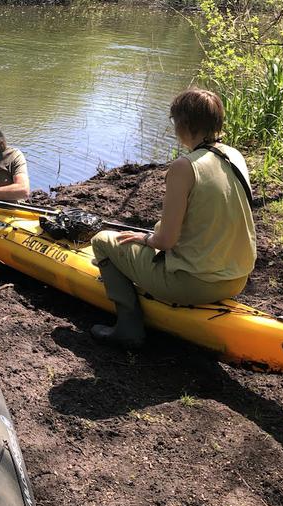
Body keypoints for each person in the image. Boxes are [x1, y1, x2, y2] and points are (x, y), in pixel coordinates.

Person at [89, 88, 256, 348]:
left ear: (184, 124)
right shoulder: (234, 156)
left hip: (194, 284)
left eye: (174, 121)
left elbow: (166, 241)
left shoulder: (184, 167)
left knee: (102, 240)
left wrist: (146, 238)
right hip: (237, 279)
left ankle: (128, 328)